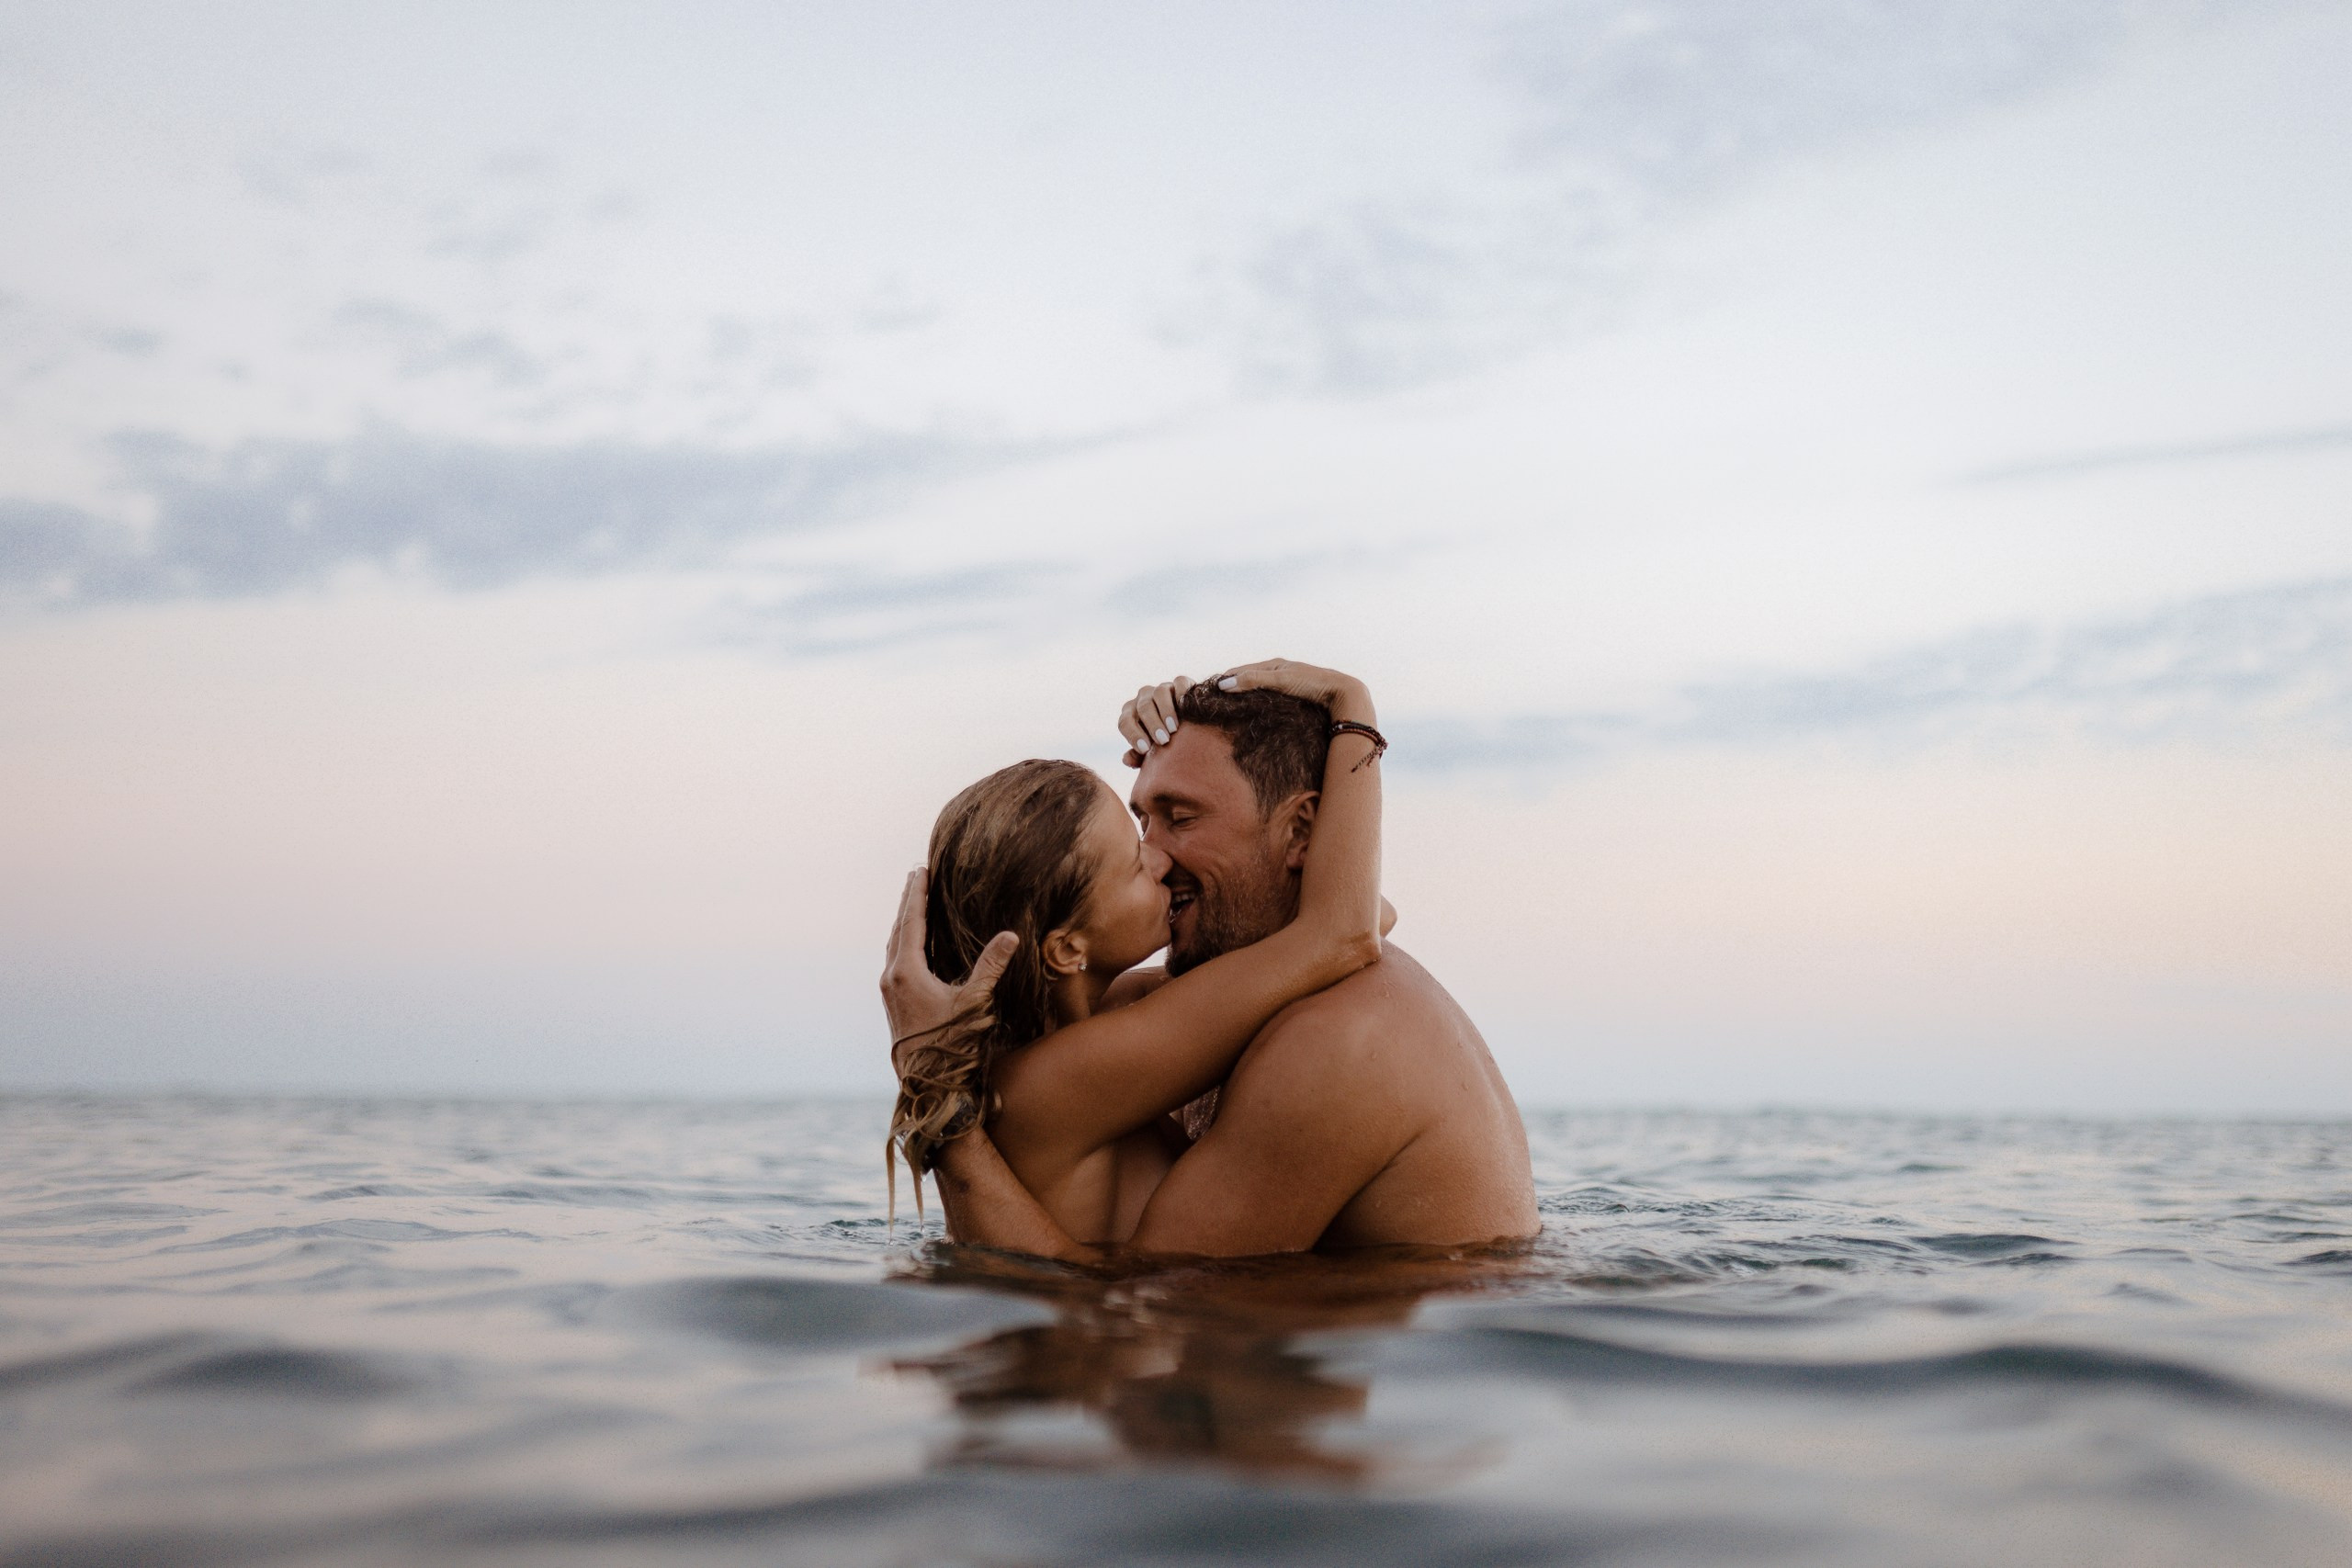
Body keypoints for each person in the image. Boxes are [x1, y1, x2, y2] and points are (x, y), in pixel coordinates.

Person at [881, 662, 1539, 1260]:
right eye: (1140, 840)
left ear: (1302, 834)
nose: (1159, 857)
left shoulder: (1193, 1019)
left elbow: (1359, 918)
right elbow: (1344, 928)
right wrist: (1354, 708)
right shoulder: (1083, 1062)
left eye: (1179, 816)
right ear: (1067, 946)